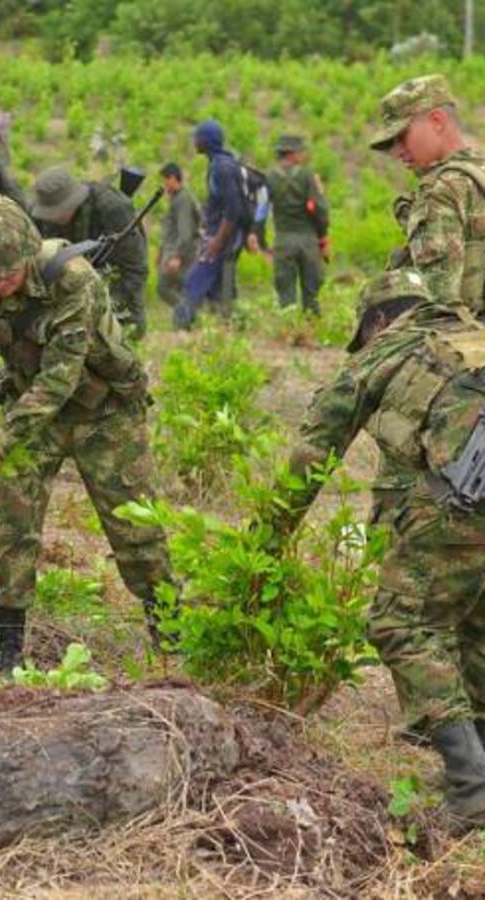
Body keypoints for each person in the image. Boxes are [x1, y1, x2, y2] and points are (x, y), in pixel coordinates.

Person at [264, 268, 485, 829]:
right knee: (476, 620)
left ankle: (472, 784)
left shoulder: (387, 348)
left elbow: (314, 449)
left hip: (462, 496)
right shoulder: (471, 332)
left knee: (399, 623)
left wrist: (269, 539)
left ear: (377, 321)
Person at [0, 193, 175, 674]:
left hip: (106, 410)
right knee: (12, 524)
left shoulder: (73, 279)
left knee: (135, 529)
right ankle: (7, 653)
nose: (3, 284)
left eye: (11, 272)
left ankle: (172, 638)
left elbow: (60, 377)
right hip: (31, 413)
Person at [371, 75, 485, 318]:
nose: (398, 151)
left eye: (402, 135)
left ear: (437, 120)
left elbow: (440, 306)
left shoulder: (440, 190)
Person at [30, 166, 150, 339]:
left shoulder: (112, 209)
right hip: (71, 284)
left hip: (116, 278)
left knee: (125, 336)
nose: (54, 217)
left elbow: (134, 267)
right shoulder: (39, 214)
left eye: (59, 211)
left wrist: (109, 305)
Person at [174, 120, 244, 330]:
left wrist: (217, 242)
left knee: (194, 282)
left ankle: (181, 328)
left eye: (197, 137)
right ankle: (231, 326)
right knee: (220, 288)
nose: (194, 141)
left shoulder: (221, 168)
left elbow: (234, 209)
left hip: (221, 237)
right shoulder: (219, 163)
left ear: (206, 141)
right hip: (220, 235)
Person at [263, 135, 328, 314]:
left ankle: (289, 325)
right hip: (308, 240)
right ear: (292, 154)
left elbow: (261, 210)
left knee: (286, 295)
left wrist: (260, 239)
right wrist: (322, 235)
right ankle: (311, 325)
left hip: (283, 240)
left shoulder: (269, 177)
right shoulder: (307, 176)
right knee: (311, 295)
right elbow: (320, 209)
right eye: (301, 151)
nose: (303, 155)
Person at [156, 162, 201, 310]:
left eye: (165, 180)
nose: (164, 184)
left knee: (164, 287)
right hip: (174, 252)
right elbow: (170, 231)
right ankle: (189, 315)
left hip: (182, 253)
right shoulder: (176, 198)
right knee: (181, 289)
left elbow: (185, 231)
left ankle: (188, 314)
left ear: (173, 178)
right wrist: (161, 252)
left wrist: (177, 256)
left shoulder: (183, 199)